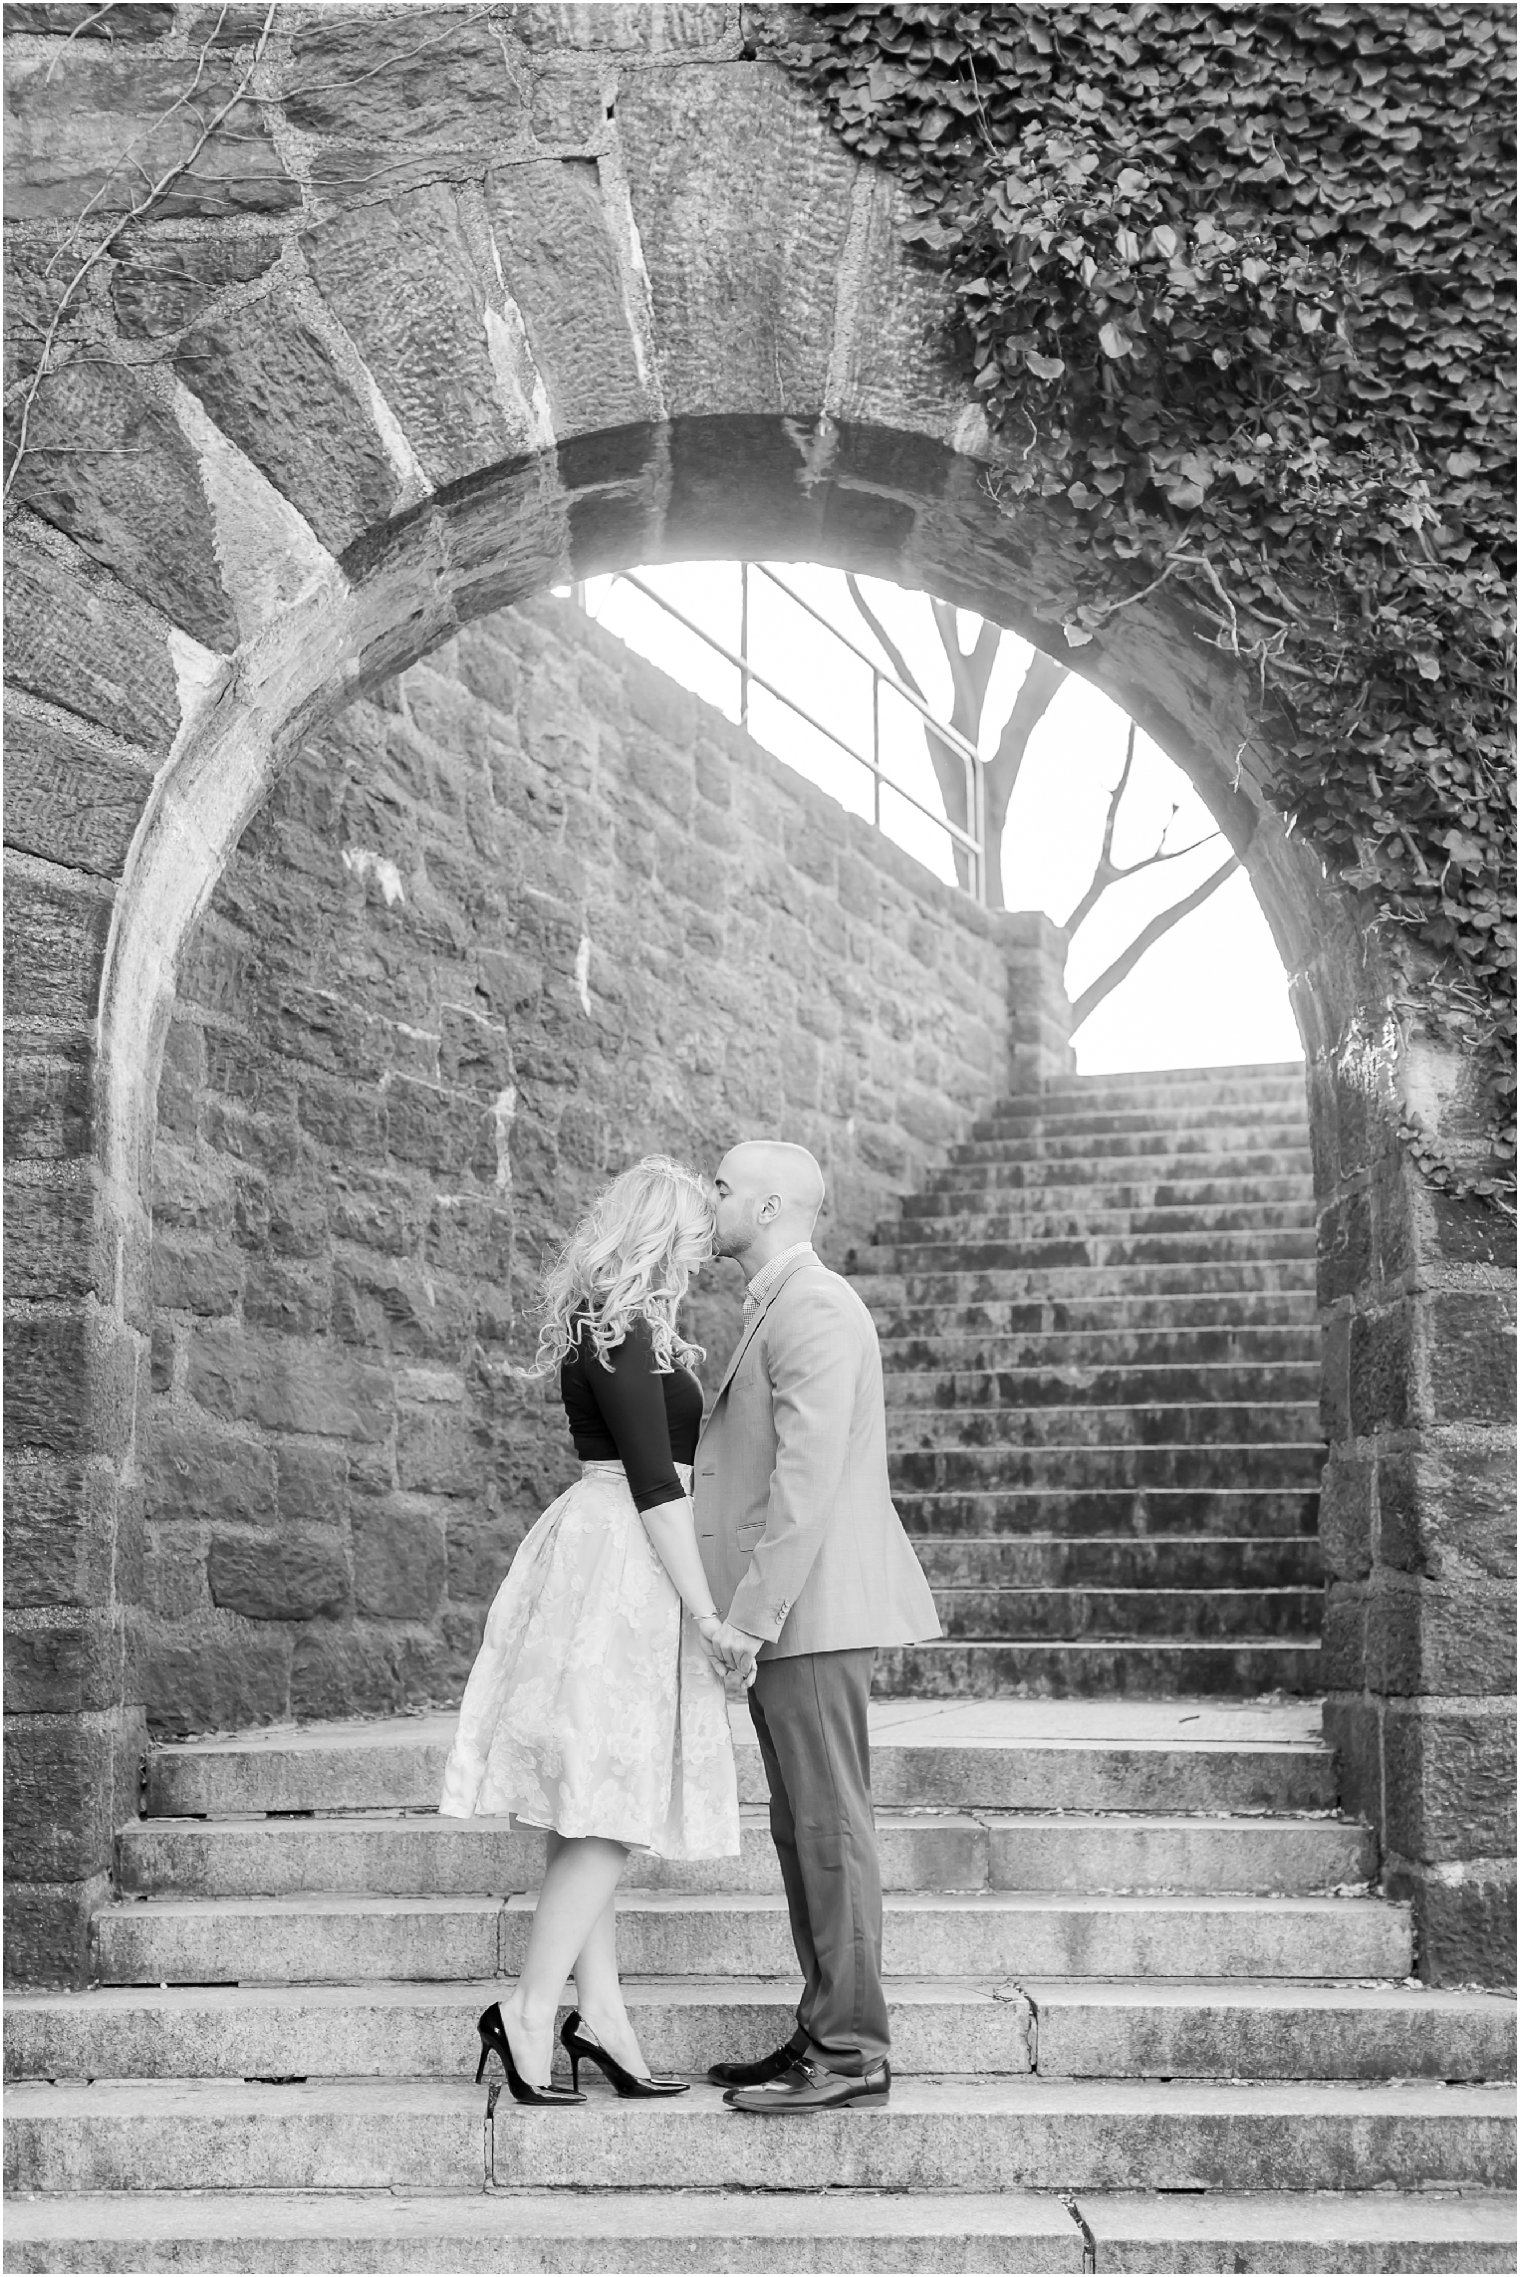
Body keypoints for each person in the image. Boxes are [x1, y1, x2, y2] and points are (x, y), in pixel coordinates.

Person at [438, 1155, 752, 2106]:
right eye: (697, 1240)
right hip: (624, 1557)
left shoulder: (643, 1330)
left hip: (632, 1554)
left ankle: (601, 2014)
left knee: (597, 1799)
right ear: (664, 1231)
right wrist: (708, 1615)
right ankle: (530, 2011)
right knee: (608, 1797)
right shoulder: (616, 1330)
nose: (703, 1258)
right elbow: (656, 1486)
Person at [694, 1139, 942, 2113]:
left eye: (719, 1187)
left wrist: (748, 1621)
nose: (705, 1200)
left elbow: (804, 1487)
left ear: (766, 1208)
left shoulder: (815, 1307)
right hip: (793, 1613)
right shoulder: (775, 1307)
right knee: (803, 1828)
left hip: (808, 1613)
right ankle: (820, 2028)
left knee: (828, 1826)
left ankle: (851, 2051)